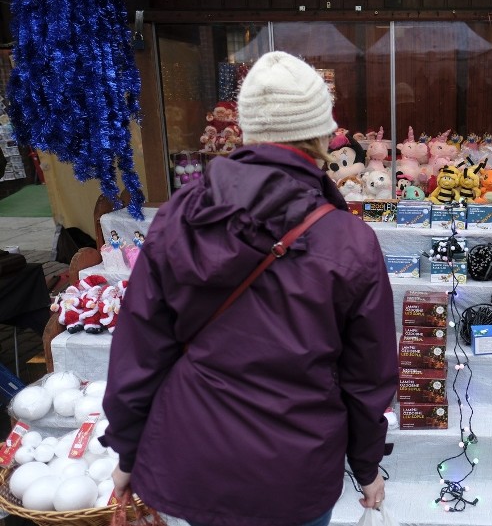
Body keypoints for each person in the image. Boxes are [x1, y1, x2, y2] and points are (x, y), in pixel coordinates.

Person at [101, 51, 399, 526]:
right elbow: (368, 378)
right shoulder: (347, 239)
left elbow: (140, 348)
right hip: (296, 469)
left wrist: (127, 450)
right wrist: (367, 466)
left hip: (197, 455)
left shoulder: (181, 213)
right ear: (322, 133)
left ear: (248, 128)